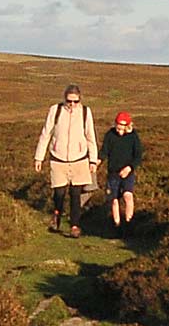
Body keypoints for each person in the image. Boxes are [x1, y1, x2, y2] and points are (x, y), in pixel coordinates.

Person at [31, 84, 97, 237]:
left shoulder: (86, 112)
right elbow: (45, 134)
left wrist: (93, 160)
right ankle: (57, 214)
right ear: (64, 99)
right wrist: (39, 157)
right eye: (69, 101)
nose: (72, 104)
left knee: (76, 194)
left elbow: (90, 137)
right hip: (58, 158)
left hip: (79, 159)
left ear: (80, 100)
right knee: (59, 193)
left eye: (75, 101)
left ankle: (75, 226)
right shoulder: (55, 110)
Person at [103, 111, 143, 232]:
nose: (119, 132)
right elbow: (104, 151)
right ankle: (116, 225)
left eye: (122, 129)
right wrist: (97, 161)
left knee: (128, 196)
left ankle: (129, 223)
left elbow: (138, 156)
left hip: (128, 173)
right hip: (113, 173)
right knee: (114, 200)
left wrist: (129, 168)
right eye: (118, 128)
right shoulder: (110, 135)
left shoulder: (133, 137)